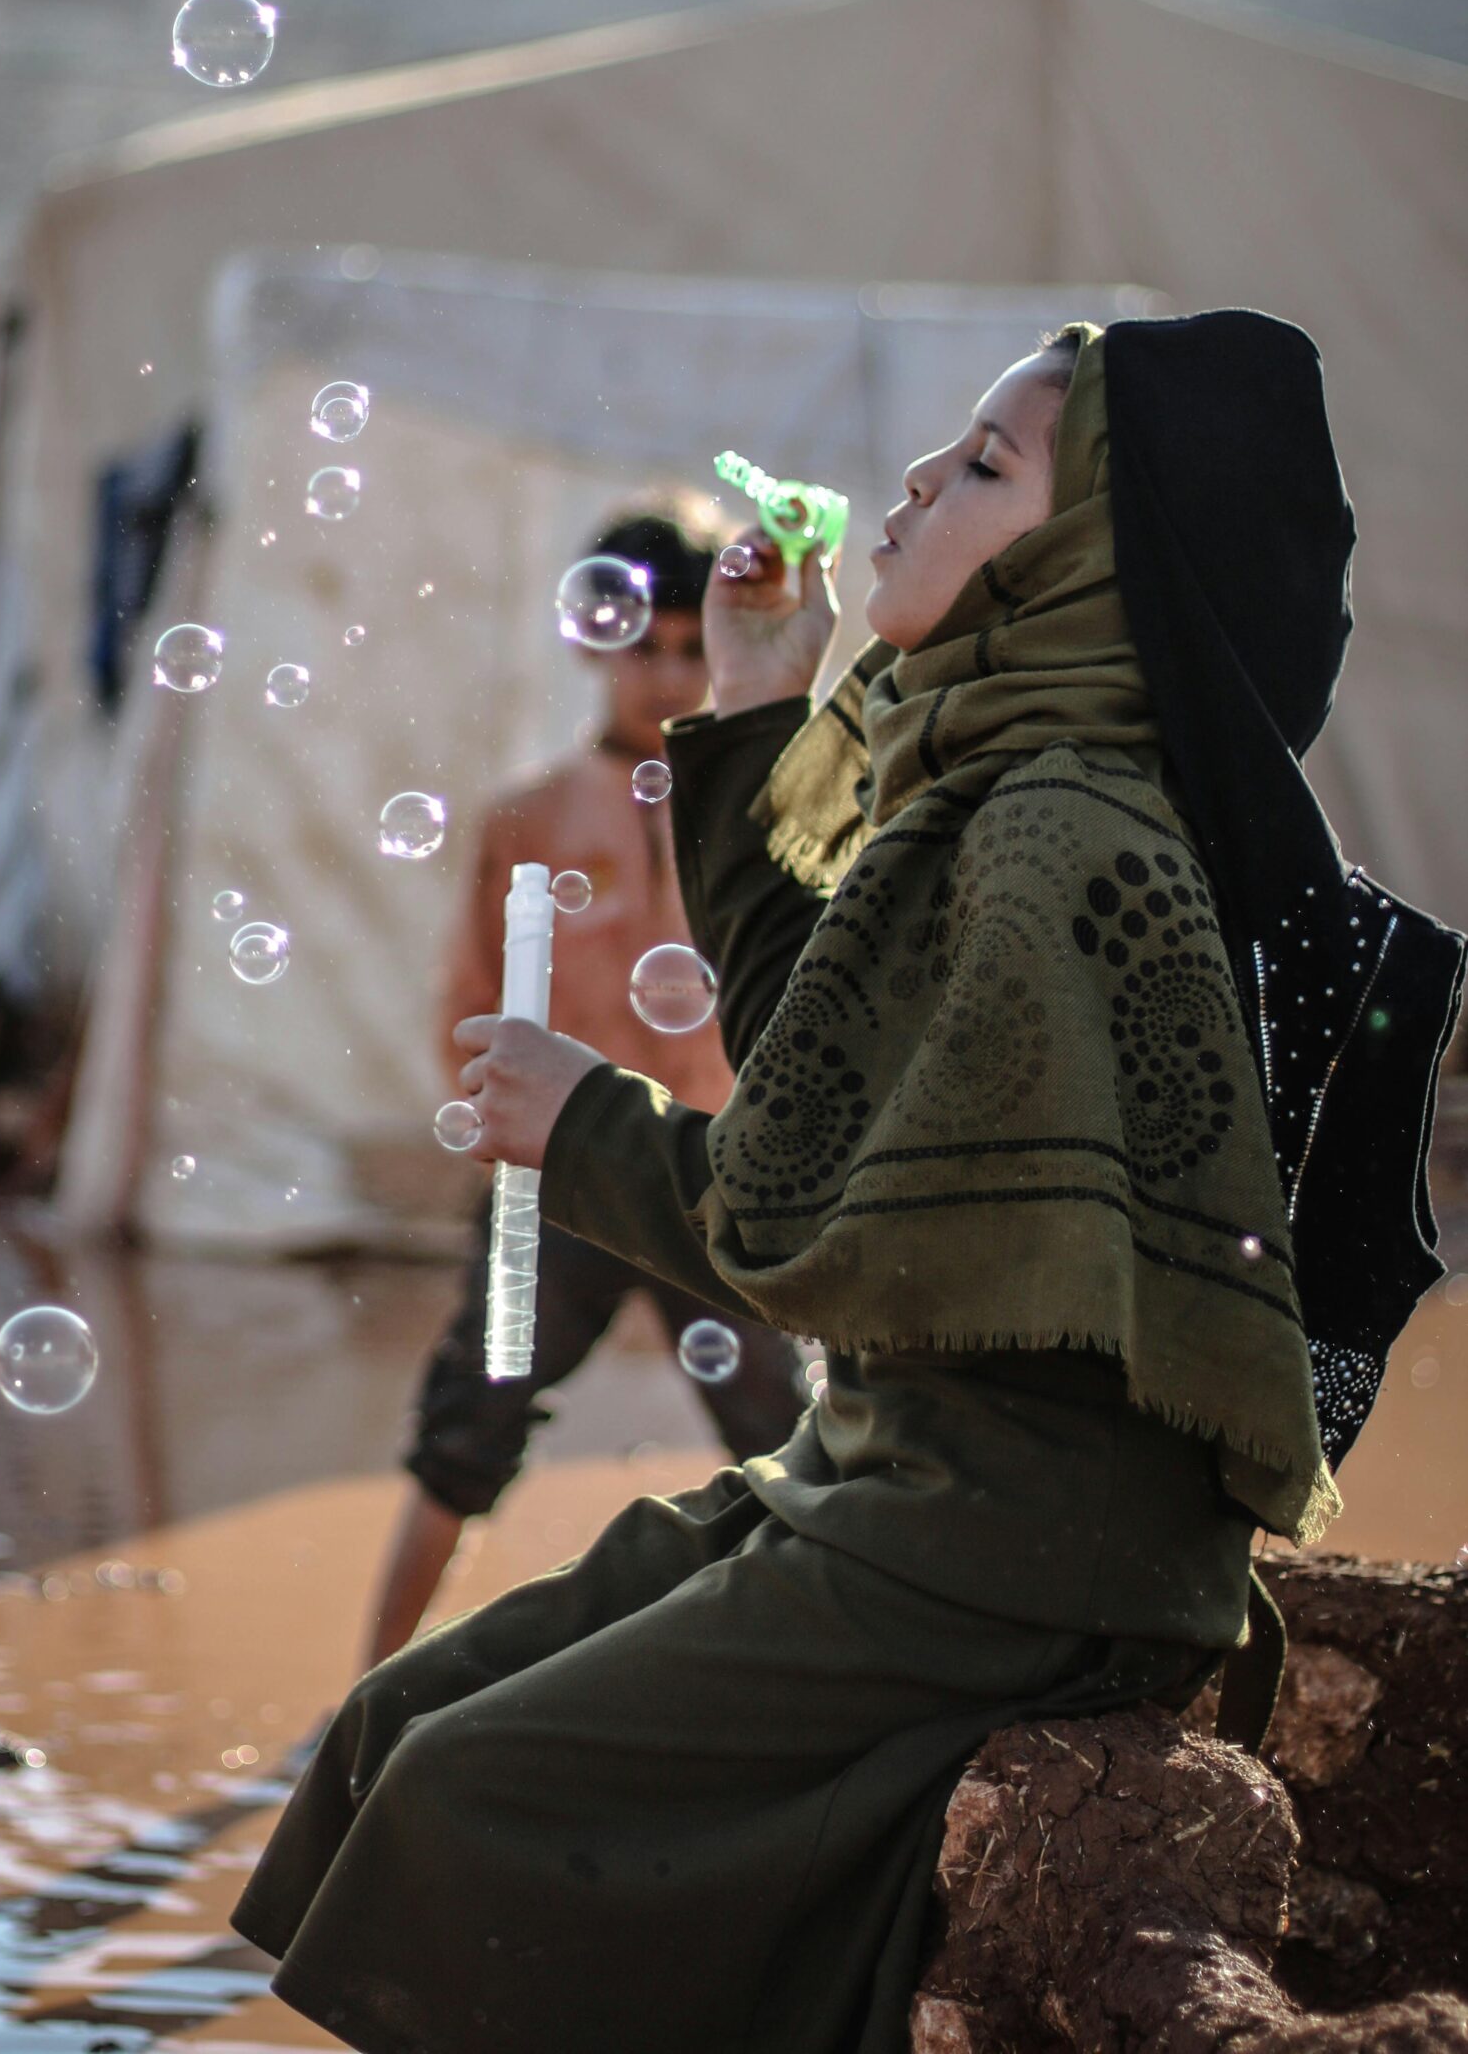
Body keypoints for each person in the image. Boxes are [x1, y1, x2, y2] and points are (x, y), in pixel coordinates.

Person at [234, 313, 1464, 2054]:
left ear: (1091, 561)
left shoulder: (1066, 833)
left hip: (1010, 1543)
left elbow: (837, 1234)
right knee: (391, 1727)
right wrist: (752, 698)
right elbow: (822, 1070)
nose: (912, 479)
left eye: (982, 466)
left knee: (458, 1795)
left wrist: (587, 1129)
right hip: (900, 1478)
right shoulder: (1002, 791)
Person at [364, 504, 805, 1667]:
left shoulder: (762, 814)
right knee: (471, 1422)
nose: (666, 674)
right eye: (643, 647)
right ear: (594, 646)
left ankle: (825, 1685)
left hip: (711, 1166)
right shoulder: (528, 817)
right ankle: (366, 1688)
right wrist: (502, 1147)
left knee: (791, 1436)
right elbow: (469, 1003)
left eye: (689, 648)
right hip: (554, 1176)